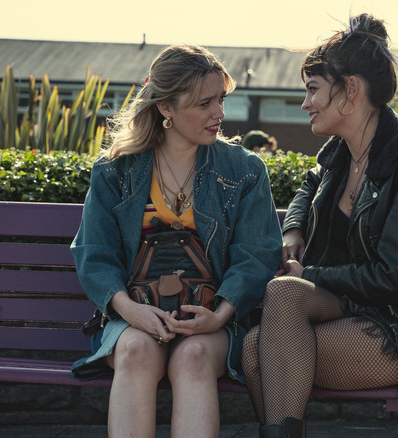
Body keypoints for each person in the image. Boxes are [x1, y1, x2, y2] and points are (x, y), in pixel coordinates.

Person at [242, 13, 398, 438]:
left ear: (350, 91)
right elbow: (310, 186)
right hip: (355, 309)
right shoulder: (343, 152)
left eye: (312, 90)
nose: (305, 103)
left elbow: (394, 277)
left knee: (266, 340)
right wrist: (294, 229)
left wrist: (310, 275)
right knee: (262, 335)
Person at [70, 44, 282, 438]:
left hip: (213, 318)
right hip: (134, 315)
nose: (219, 113)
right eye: (205, 103)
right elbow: (94, 253)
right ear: (166, 107)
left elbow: (257, 254)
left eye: (221, 99)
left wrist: (218, 315)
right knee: (134, 352)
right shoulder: (116, 170)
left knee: (195, 358)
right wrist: (130, 311)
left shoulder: (245, 169)